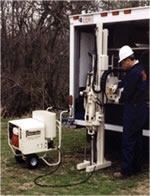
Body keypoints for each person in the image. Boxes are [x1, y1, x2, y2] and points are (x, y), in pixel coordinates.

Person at [113, 45, 147, 179]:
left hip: (132, 110)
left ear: (128, 60)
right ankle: (136, 167)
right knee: (137, 139)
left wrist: (117, 97)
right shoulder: (140, 69)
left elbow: (128, 92)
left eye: (122, 62)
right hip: (141, 109)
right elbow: (126, 83)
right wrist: (117, 85)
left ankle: (125, 171)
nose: (122, 65)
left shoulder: (133, 73)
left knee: (128, 140)